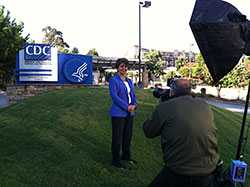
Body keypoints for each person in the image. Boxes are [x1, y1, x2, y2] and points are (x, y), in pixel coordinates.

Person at [143, 78, 219, 187]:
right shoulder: (204, 105)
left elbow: (149, 132)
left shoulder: (165, 107)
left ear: (172, 91)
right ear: (190, 90)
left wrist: (159, 105)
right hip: (209, 169)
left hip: (179, 171)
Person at [109, 58, 137, 168]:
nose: (124, 68)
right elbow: (114, 97)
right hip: (118, 113)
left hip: (130, 113)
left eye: (125, 66)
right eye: (121, 66)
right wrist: (127, 107)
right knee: (117, 138)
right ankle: (115, 161)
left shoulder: (129, 81)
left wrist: (134, 104)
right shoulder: (113, 80)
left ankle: (126, 156)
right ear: (117, 68)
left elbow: (133, 95)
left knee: (127, 136)